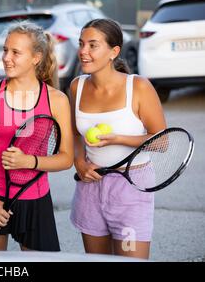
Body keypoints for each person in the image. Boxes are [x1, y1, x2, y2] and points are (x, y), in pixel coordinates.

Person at [0, 21, 74, 251]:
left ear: (36, 57)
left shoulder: (57, 100)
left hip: (35, 197)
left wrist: (29, 161)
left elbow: (66, 158)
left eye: (15, 52)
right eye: (5, 50)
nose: (6, 57)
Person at [69, 18, 167, 259]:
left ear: (114, 51)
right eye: (81, 44)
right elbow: (74, 134)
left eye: (93, 45)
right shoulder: (76, 86)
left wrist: (118, 139)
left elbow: (162, 141)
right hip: (90, 187)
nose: (83, 51)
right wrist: (79, 164)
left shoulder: (139, 87)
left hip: (131, 186)